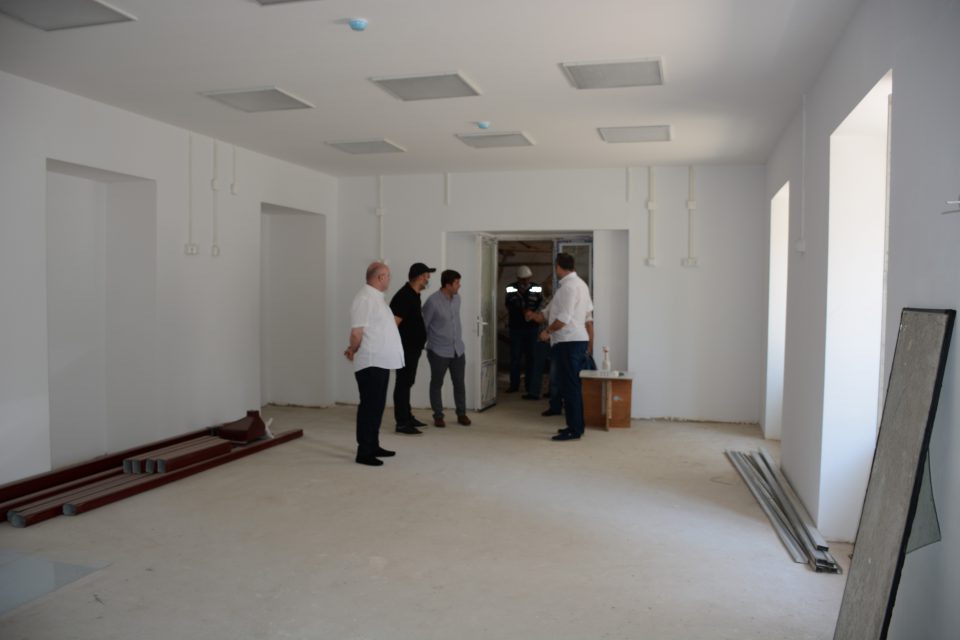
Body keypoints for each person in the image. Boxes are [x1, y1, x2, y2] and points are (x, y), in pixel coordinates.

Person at [526, 253, 593, 441]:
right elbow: (550, 313)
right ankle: (575, 426)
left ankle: (574, 430)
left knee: (570, 387)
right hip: (572, 342)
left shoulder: (570, 287)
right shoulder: (578, 285)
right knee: (570, 386)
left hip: (569, 342)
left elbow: (564, 318)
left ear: (558, 267)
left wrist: (547, 332)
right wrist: (535, 316)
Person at [344, 262, 405, 466]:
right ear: (380, 277)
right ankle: (364, 452)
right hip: (371, 362)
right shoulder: (364, 298)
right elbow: (356, 332)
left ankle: (373, 445)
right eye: (388, 276)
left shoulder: (376, 298)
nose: (389, 279)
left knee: (377, 406)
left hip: (380, 361)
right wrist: (352, 348)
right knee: (369, 407)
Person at [390, 262, 436, 435]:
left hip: (412, 348)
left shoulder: (414, 294)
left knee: (407, 382)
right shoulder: (404, 296)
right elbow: (393, 324)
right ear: (419, 277)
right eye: (426, 276)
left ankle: (407, 416)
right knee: (403, 383)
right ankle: (402, 423)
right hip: (405, 348)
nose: (428, 279)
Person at [422, 269, 472, 428]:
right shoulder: (432, 302)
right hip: (438, 351)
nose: (459, 285)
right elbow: (424, 325)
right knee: (437, 383)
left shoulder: (457, 299)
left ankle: (461, 414)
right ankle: (438, 415)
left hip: (458, 350)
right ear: (447, 285)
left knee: (459, 383)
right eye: (457, 283)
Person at [505, 265, 545, 398]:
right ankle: (514, 385)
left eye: (528, 279)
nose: (526, 281)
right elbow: (509, 304)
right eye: (523, 279)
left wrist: (534, 314)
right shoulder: (511, 287)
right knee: (515, 357)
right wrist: (523, 311)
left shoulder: (536, 287)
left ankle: (530, 386)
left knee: (531, 357)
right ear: (518, 278)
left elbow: (542, 303)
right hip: (516, 328)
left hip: (532, 328)